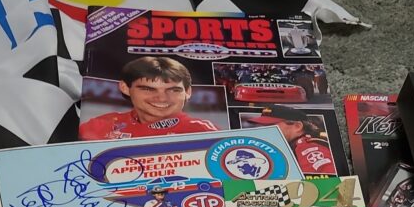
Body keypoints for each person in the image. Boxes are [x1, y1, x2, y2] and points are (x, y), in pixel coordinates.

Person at [79, 56, 219, 140]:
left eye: (173, 90)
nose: (162, 98)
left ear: (188, 92)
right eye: (148, 89)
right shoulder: (100, 125)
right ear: (125, 88)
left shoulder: (202, 131)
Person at [246, 106, 336, 175]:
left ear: (297, 126)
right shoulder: (285, 148)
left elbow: (327, 183)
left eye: (271, 126)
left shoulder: (308, 149)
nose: (264, 131)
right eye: (262, 127)